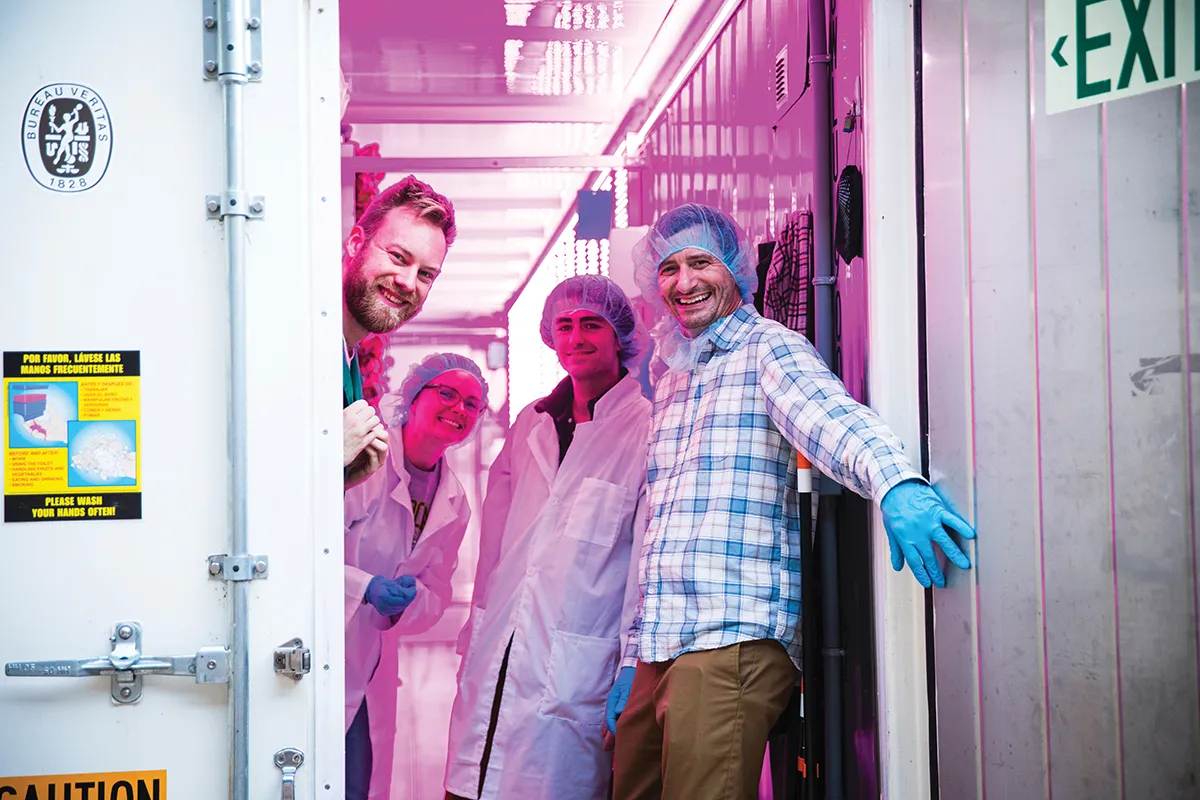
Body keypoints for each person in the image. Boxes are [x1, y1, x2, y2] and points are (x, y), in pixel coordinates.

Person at [606, 204, 977, 800]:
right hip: (662, 640)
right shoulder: (673, 372)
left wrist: (896, 484)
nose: (683, 282)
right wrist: (632, 653)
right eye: (669, 268)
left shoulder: (767, 348)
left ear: (736, 268)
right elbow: (658, 525)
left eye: (700, 263)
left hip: (731, 638)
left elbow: (834, 422)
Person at [444, 275, 652, 800]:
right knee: (471, 779)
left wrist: (632, 659)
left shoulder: (647, 429)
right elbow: (495, 543)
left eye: (591, 325)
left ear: (619, 335)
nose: (576, 337)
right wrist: (480, 620)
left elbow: (645, 561)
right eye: (564, 325)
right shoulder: (529, 424)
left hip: (577, 657)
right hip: (502, 636)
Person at [344, 353, 488, 800]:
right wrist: (363, 587)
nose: (458, 408)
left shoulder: (454, 501)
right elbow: (300, 549)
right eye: (446, 393)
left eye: (471, 403)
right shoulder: (366, 460)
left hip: (375, 663)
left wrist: (411, 603)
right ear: (412, 397)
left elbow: (438, 591)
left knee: (360, 781)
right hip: (321, 644)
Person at [343, 175, 457, 490]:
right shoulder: (298, 342)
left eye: (425, 274)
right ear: (356, 244)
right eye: (397, 257)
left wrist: (341, 480)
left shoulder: (347, 364)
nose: (408, 282)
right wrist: (326, 452)